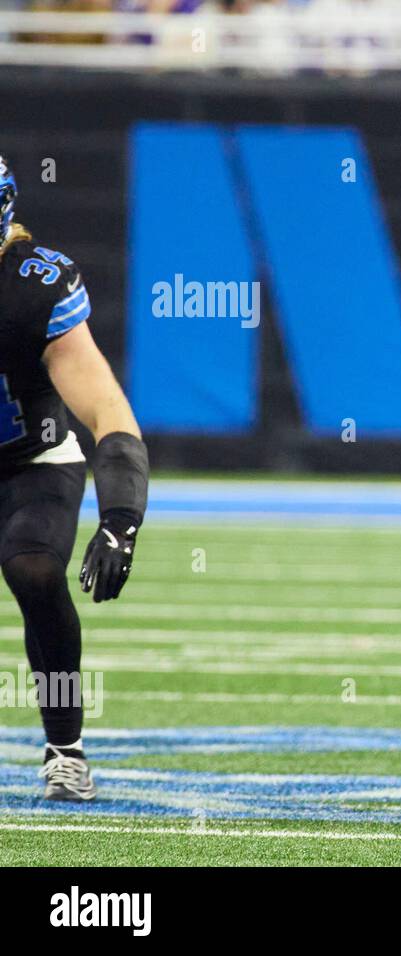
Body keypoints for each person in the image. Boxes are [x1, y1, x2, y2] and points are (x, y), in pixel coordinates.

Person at [0, 156, 150, 799]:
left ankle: (66, 746)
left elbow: (105, 407)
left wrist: (120, 520)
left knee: (33, 568)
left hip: (35, 455)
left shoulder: (34, 285)